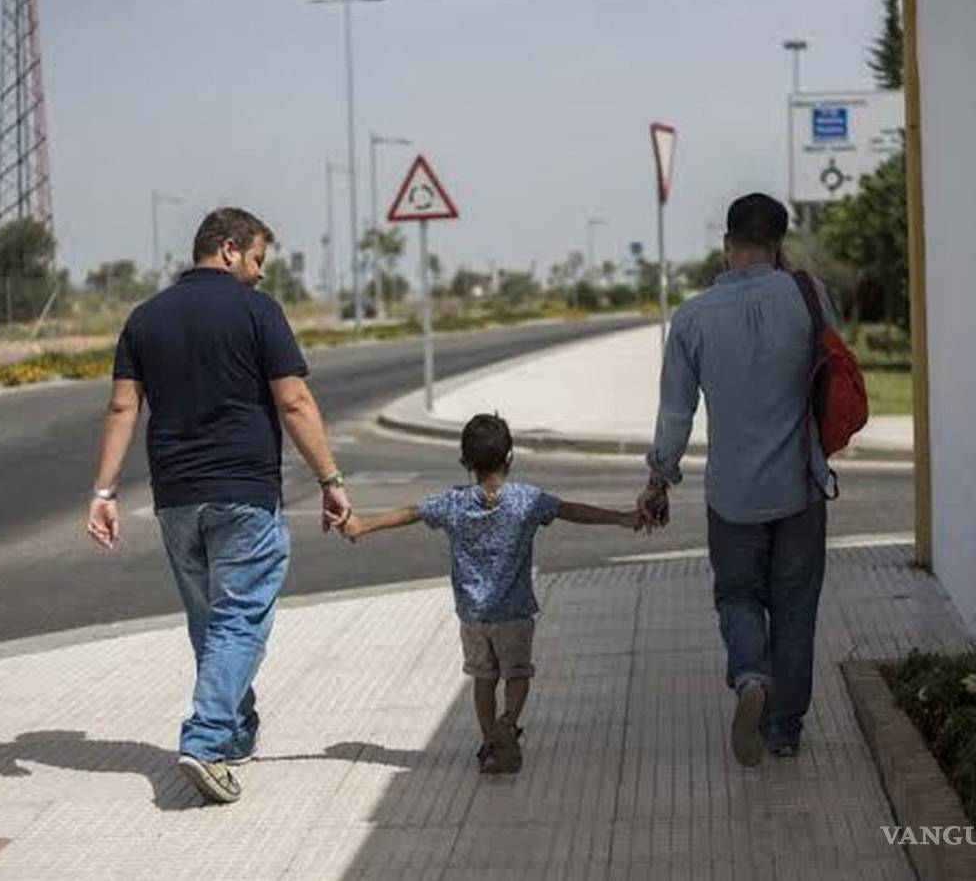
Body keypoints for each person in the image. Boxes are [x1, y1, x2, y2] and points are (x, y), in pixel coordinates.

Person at [86, 207, 352, 804]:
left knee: (212, 623)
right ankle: (205, 741)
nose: (260, 274)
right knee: (239, 621)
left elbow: (122, 410)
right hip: (243, 493)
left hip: (176, 499)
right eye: (257, 259)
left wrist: (104, 493)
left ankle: (234, 731)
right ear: (229, 249)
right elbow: (295, 402)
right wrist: (331, 479)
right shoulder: (258, 312)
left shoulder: (144, 319)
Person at [637, 193, 837, 767]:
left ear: (727, 245)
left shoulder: (693, 318)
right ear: (779, 244)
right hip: (801, 484)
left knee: (739, 595)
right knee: (796, 608)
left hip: (732, 496)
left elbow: (676, 414)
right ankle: (783, 729)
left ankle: (751, 675)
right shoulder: (810, 297)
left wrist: (659, 479)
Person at [345, 413, 641, 774]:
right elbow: (571, 511)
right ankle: (508, 722)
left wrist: (363, 524)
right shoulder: (526, 500)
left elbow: (411, 513)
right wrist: (622, 517)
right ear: (511, 457)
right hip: (514, 612)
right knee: (517, 674)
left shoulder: (453, 503)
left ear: (465, 463)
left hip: (473, 615)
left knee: (483, 680)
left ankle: (491, 745)